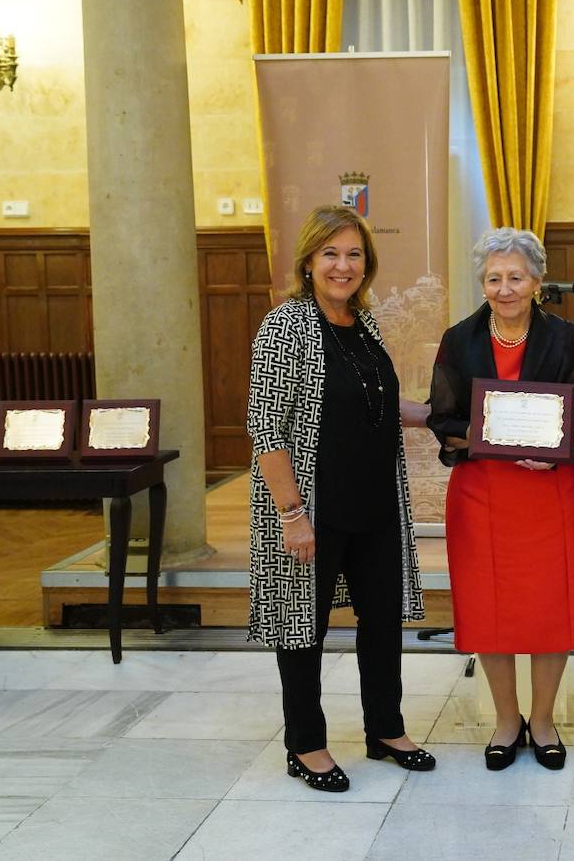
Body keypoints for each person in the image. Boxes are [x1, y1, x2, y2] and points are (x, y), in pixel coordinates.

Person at [247, 204, 435, 793]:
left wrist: (452, 419)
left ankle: (385, 728)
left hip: (376, 504)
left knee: (381, 623)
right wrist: (292, 514)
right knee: (300, 628)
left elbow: (377, 407)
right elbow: (266, 428)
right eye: (331, 253)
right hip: (312, 507)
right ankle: (306, 744)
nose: (343, 265)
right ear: (308, 260)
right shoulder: (285, 327)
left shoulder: (366, 323)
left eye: (354, 254)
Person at [428, 227, 574, 772]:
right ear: (482, 281)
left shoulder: (567, 337)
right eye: (494, 278)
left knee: (552, 604)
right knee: (489, 607)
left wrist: (563, 445)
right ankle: (506, 720)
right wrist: (493, 440)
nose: (504, 288)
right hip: (484, 494)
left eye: (515, 277)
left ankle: (543, 720)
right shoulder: (459, 339)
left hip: (551, 492)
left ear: (537, 281)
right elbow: (442, 416)